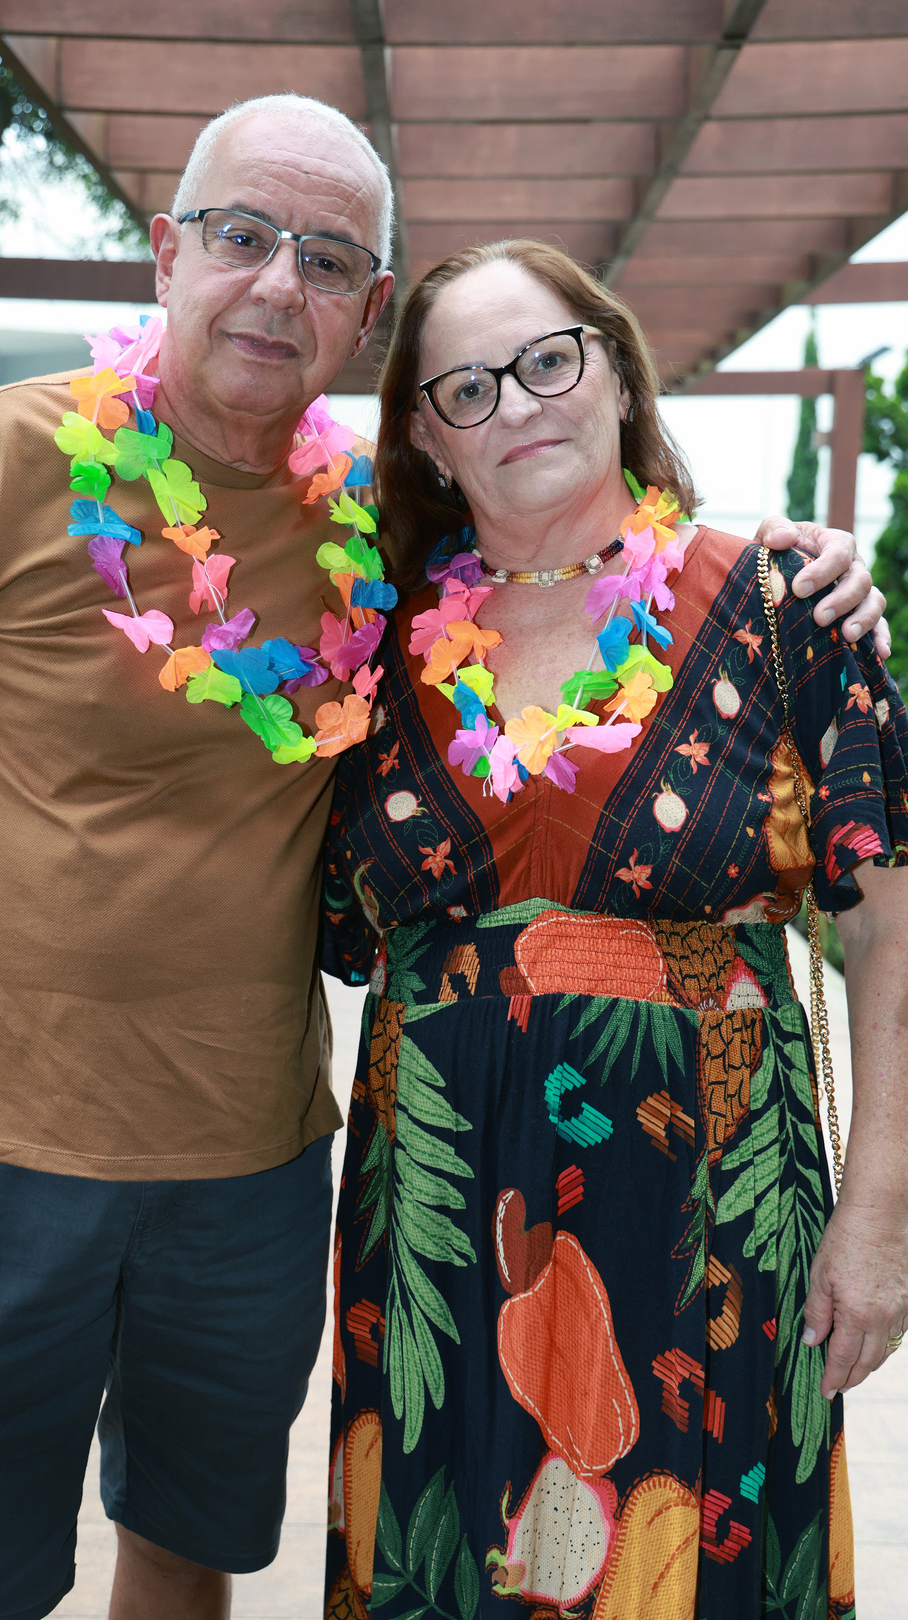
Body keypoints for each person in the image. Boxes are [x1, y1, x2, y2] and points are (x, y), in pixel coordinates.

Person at [0, 89, 883, 1619]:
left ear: (369, 310)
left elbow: (593, 572)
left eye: (326, 259)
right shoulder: (2, 465)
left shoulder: (392, 553)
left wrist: (802, 553)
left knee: (190, 1550)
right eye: (241, 236)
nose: (278, 284)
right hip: (31, 1162)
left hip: (294, 1172)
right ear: (165, 251)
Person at [322, 239, 908, 1620]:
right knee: (442, 1564)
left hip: (712, 1215)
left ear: (620, 375)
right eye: (469, 387)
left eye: (548, 361)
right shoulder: (363, 653)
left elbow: (890, 935)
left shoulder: (788, 611)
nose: (519, 405)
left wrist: (883, 1212)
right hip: (440, 1227)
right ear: (425, 436)